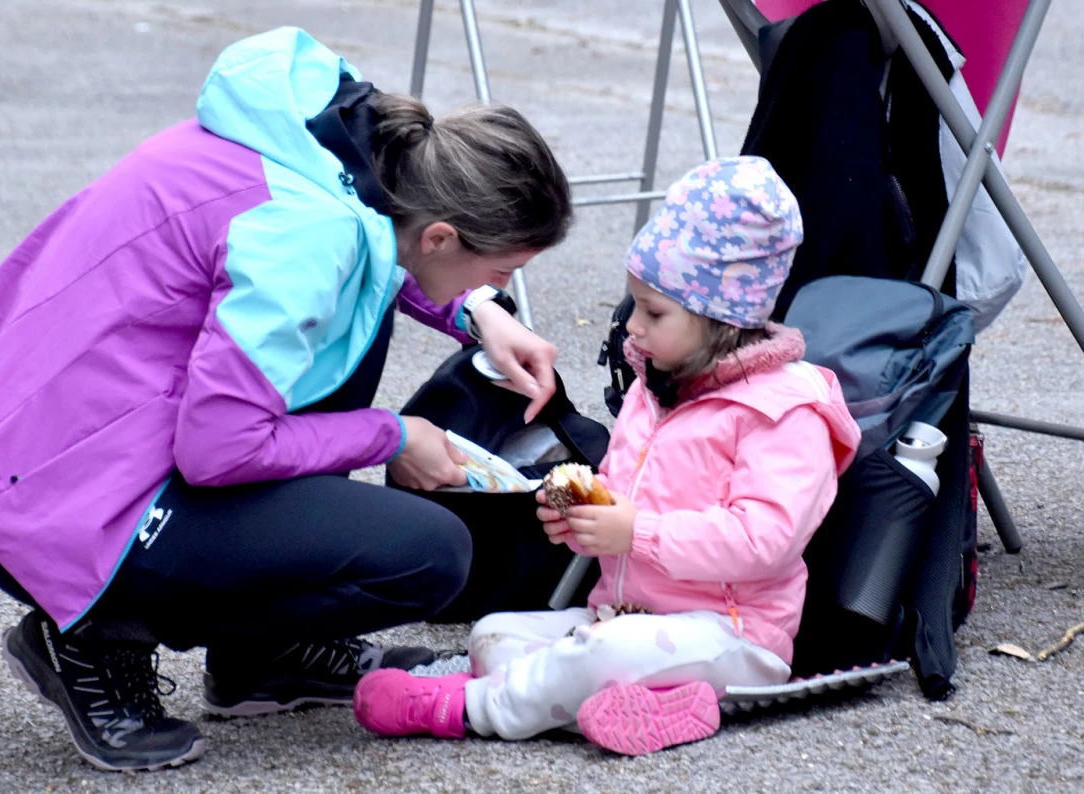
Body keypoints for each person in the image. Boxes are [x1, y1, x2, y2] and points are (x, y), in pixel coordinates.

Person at [0, 27, 573, 772]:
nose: (505, 286)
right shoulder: (308, 238)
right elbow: (219, 448)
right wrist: (392, 435)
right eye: (505, 270)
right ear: (443, 234)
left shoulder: (333, 150)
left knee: (358, 313)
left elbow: (394, 252)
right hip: (56, 506)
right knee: (431, 556)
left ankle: (264, 658)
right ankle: (95, 634)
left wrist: (478, 310)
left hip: (55, 442)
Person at [353, 156, 862, 756]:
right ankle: (655, 709)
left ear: (720, 316)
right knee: (494, 634)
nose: (632, 331)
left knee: (600, 654)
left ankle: (466, 708)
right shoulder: (661, 385)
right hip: (628, 616)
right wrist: (581, 522)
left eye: (654, 313)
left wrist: (634, 532)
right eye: (634, 307)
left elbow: (765, 540)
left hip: (732, 636)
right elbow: (625, 504)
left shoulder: (782, 410)